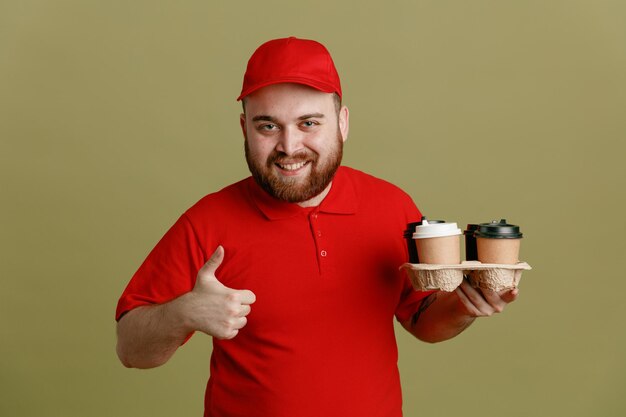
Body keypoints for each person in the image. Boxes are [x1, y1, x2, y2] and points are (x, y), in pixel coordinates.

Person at [115, 36, 518, 417]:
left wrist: (465, 305)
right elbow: (130, 349)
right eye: (267, 126)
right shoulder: (207, 221)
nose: (289, 146)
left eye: (309, 123)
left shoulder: (393, 207)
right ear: (244, 129)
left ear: (342, 123)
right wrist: (182, 313)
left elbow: (421, 320)